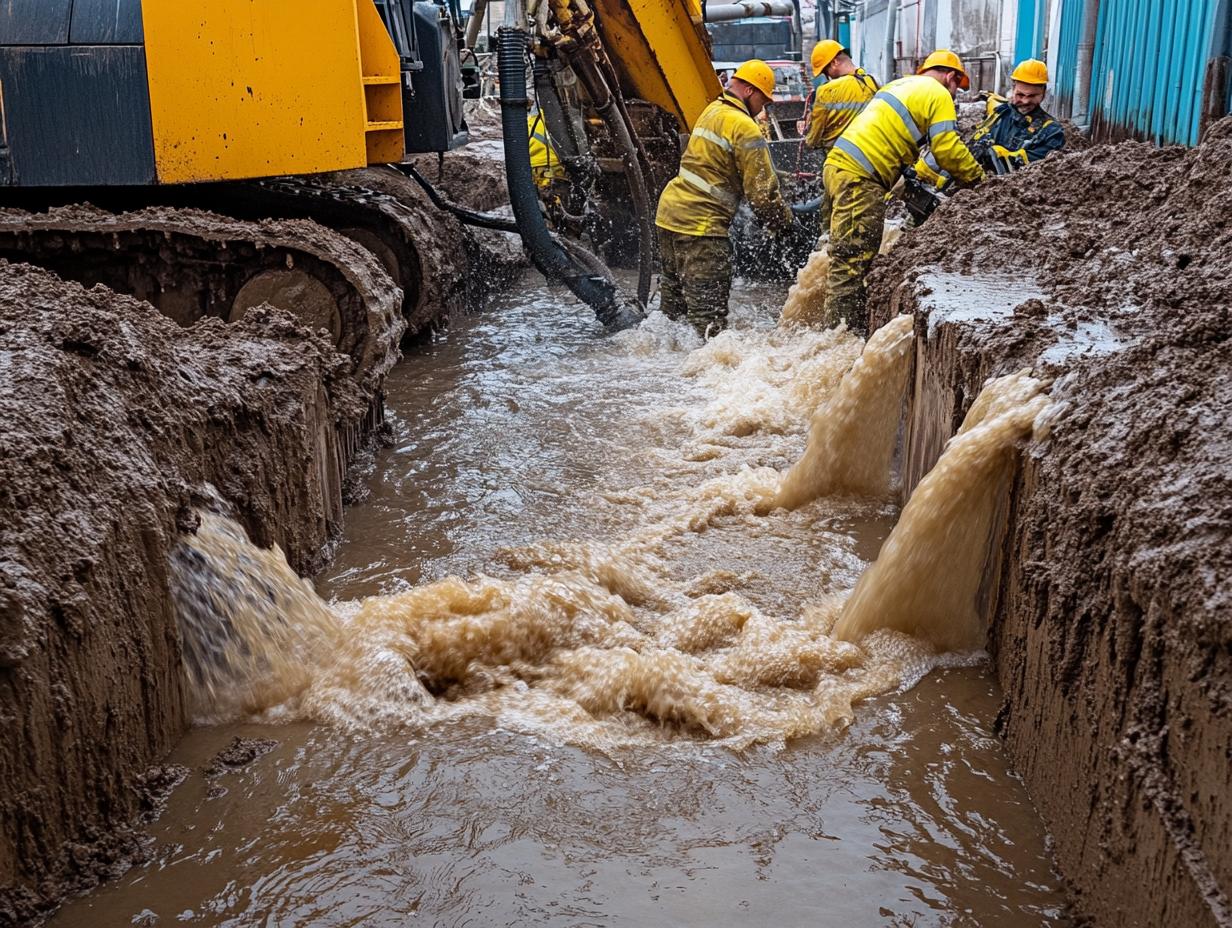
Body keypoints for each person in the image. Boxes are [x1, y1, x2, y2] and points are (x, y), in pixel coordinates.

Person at [823, 49, 984, 334]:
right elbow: (946, 148)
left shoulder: (900, 85)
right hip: (861, 180)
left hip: (838, 168)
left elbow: (888, 143)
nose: (956, 94)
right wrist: (979, 181)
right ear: (951, 77)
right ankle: (839, 339)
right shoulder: (939, 94)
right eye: (958, 87)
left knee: (840, 258)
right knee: (852, 264)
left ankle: (832, 328)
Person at [655, 59, 793, 335]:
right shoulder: (745, 126)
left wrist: (782, 175)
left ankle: (666, 371)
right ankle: (702, 375)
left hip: (669, 218)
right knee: (708, 324)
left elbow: (722, 162)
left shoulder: (712, 111)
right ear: (751, 92)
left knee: (672, 316)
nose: (763, 109)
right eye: (763, 102)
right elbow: (762, 195)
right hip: (701, 230)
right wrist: (784, 224)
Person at [918, 58, 1064, 186]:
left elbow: (1038, 173)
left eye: (1032, 96)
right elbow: (972, 145)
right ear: (1013, 88)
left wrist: (999, 156)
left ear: (1044, 93)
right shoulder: (1000, 113)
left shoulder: (1052, 131)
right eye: (1020, 94)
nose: (1025, 101)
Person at [802, 40, 879, 229]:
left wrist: (806, 131)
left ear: (835, 62)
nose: (826, 76)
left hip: (840, 165)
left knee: (833, 218)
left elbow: (813, 139)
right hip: (872, 163)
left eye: (825, 71)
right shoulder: (872, 83)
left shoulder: (827, 91)